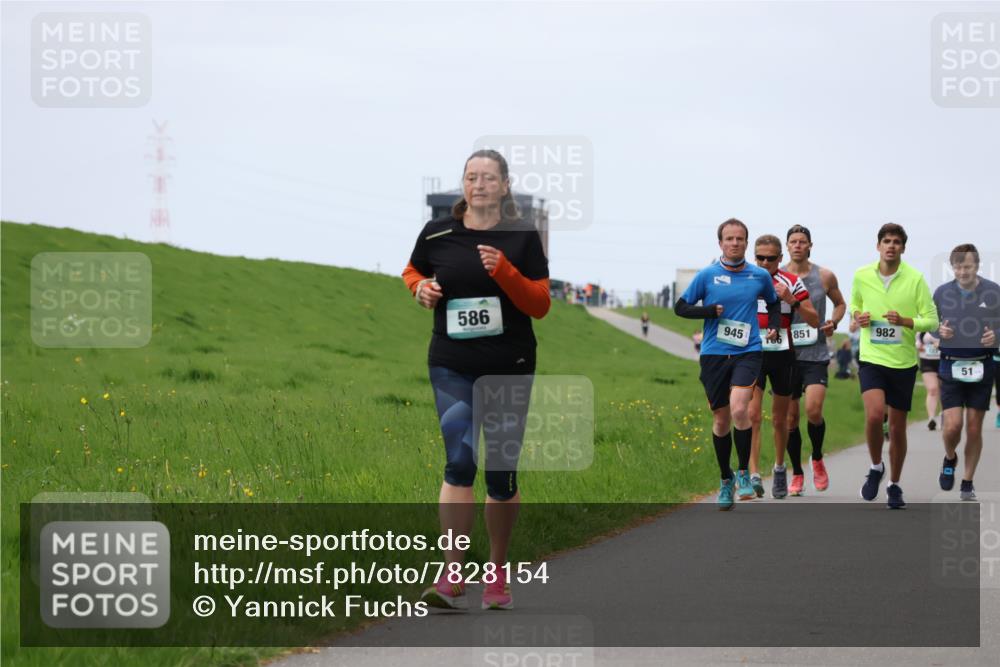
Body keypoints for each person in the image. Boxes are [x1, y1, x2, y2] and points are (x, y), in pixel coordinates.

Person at [402, 149, 550, 610]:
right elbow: (413, 270)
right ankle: (451, 574)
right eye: (471, 177)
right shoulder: (437, 232)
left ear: (505, 186)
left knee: (501, 475)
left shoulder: (522, 236)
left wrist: (505, 271)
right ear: (463, 184)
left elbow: (540, 304)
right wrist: (420, 289)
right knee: (459, 462)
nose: (479, 184)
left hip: (509, 366)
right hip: (452, 363)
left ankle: (497, 573)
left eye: (488, 177)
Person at [674, 218, 780, 510]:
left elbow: (773, 303)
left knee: (739, 409)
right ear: (720, 243)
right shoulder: (707, 275)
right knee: (721, 420)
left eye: (740, 238)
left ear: (746, 242)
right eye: (729, 239)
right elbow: (680, 307)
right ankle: (725, 478)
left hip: (748, 350)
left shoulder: (759, 275)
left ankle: (744, 473)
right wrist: (709, 311)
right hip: (714, 354)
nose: (735, 243)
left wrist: (773, 326)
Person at [849, 223, 938, 509]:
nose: (891, 246)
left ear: (903, 248)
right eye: (886, 241)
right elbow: (854, 304)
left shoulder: (915, 279)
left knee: (898, 428)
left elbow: (932, 320)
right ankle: (876, 466)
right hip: (872, 358)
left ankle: (894, 485)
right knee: (876, 415)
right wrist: (858, 316)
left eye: (896, 242)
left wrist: (905, 321)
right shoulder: (862, 275)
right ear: (878, 246)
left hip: (903, 362)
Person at [748, 235, 819, 499]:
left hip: (782, 355)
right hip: (753, 354)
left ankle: (779, 467)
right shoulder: (746, 279)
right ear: (754, 257)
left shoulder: (791, 281)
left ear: (780, 258)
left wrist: (792, 299)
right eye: (760, 258)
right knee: (753, 415)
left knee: (780, 419)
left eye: (770, 258)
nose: (765, 262)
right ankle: (754, 474)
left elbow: (814, 320)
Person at [783, 225, 847, 494]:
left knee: (813, 410)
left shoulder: (824, 276)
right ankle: (797, 473)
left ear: (810, 246)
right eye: (793, 241)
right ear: (787, 246)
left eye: (802, 241)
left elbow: (840, 304)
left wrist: (833, 321)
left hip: (816, 353)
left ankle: (817, 458)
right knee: (790, 419)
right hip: (786, 355)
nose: (798, 245)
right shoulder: (777, 276)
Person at [934, 243, 1000, 501]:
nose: (963, 272)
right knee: (953, 426)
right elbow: (929, 323)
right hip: (950, 364)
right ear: (952, 267)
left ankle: (967, 482)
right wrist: (939, 331)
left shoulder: (993, 292)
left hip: (982, 365)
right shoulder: (942, 293)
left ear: (977, 266)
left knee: (973, 429)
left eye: (968, 267)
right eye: (958, 267)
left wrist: (996, 336)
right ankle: (950, 457)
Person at [917, 331, 942, 429]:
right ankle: (931, 419)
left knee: (944, 390)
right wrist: (925, 347)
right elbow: (918, 344)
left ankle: (944, 415)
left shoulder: (947, 325)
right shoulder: (923, 329)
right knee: (932, 389)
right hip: (927, 361)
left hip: (944, 361)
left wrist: (941, 346)